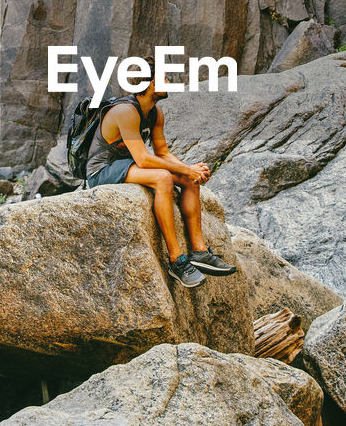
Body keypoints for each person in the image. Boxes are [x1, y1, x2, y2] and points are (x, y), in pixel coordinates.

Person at [84, 56, 237, 287]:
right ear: (150, 84)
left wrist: (190, 171)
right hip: (102, 171)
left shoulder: (155, 113)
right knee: (163, 178)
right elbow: (144, 159)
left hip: (127, 165)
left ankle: (200, 251)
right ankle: (176, 260)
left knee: (188, 180)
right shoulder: (125, 111)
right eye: (164, 78)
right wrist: (186, 168)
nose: (168, 81)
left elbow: (163, 152)